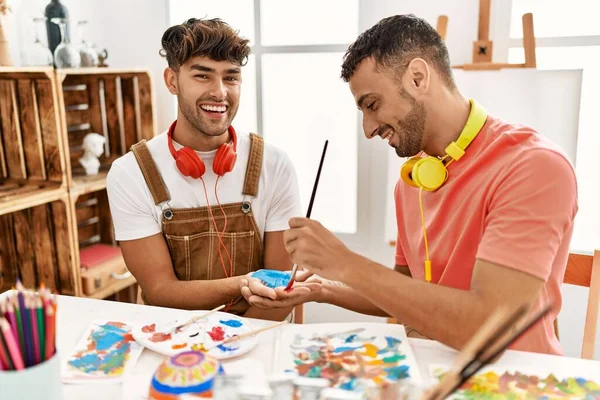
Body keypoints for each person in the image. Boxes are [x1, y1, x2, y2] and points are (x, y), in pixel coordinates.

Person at [239, 14, 578, 355]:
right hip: (430, 370)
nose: (368, 129)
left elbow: (491, 326)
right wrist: (321, 288)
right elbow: (406, 291)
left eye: (372, 105)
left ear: (417, 77)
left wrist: (345, 262)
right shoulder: (413, 181)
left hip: (514, 379)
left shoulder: (533, 166)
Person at [106, 18, 304, 321]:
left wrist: (237, 344)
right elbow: (159, 289)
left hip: (259, 329)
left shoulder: (274, 165)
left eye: (231, 77)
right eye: (203, 75)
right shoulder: (130, 173)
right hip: (174, 336)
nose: (220, 92)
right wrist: (243, 284)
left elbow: (279, 288)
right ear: (172, 81)